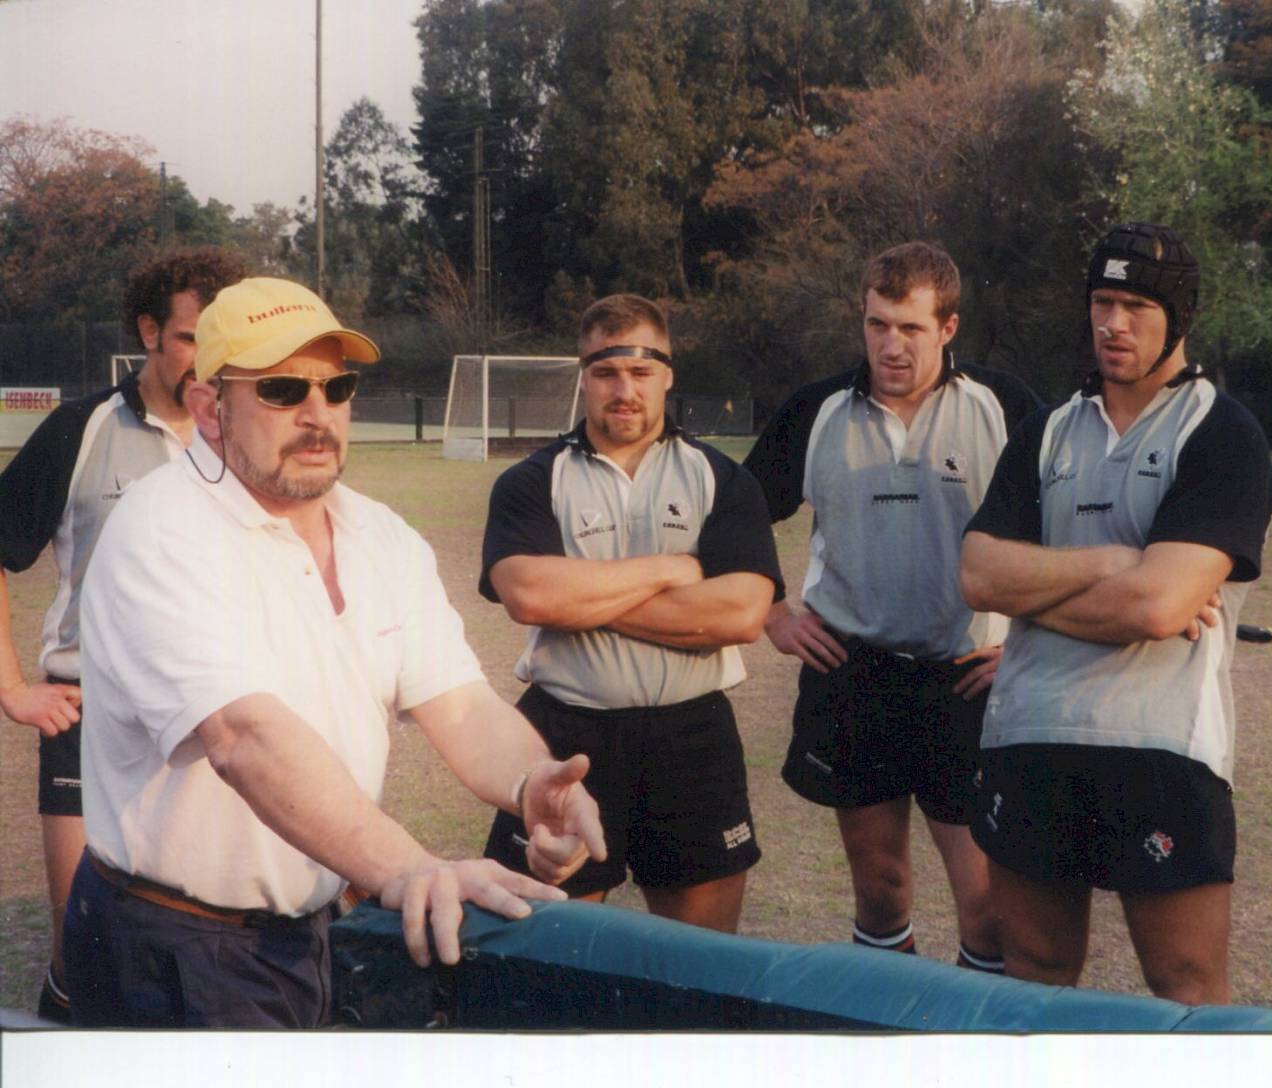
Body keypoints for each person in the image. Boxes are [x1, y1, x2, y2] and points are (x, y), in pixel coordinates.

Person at [61, 277, 605, 1028]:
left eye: (336, 387)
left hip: (313, 927)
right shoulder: (160, 532)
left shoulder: (380, 535)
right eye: (282, 389)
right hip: (171, 946)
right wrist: (409, 868)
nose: (318, 415)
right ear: (210, 410)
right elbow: (244, 738)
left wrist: (530, 781)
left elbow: (458, 702)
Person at [959, 223, 1272, 1004]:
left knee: (1186, 987)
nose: (1113, 324)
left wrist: (1038, 594)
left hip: (1161, 744)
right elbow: (978, 574)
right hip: (1030, 731)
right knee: (1034, 975)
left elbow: (1158, 605)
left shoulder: (1221, 432)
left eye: (1137, 307)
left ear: (1180, 318)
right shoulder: (1046, 431)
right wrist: (1110, 562)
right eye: (1102, 302)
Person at [743, 242, 1040, 971]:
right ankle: (889, 1029)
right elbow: (736, 516)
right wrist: (774, 614)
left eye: (911, 328)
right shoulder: (816, 410)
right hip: (854, 675)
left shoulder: (1005, 407)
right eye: (877, 324)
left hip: (966, 678)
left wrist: (1029, 643)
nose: (891, 345)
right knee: (881, 890)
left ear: (948, 327)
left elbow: (1066, 533)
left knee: (987, 911)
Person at [479, 294, 781, 933]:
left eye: (641, 372)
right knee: (543, 950)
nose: (625, 390)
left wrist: (580, 601)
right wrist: (671, 569)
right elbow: (529, 596)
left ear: (667, 374)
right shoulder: (532, 481)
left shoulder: (722, 478)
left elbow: (742, 614)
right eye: (606, 372)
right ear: (583, 377)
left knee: (696, 962)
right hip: (566, 734)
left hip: (693, 739)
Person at [0, 246, 246, 1023]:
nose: (207, 360)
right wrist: (12, 688)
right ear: (149, 332)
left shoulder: (244, 437)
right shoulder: (81, 429)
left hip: (215, 715)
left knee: (204, 942)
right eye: (191, 338)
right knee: (83, 951)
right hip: (92, 715)